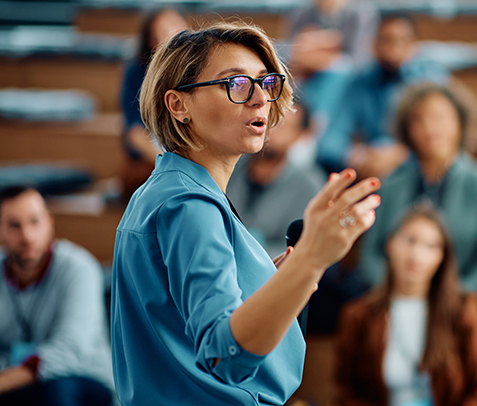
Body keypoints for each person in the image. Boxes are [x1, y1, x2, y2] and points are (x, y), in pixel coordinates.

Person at [110, 21, 382, 406]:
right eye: (235, 84)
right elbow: (225, 355)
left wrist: (276, 278)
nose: (259, 99)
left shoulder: (165, 190)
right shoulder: (188, 205)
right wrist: (310, 259)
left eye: (265, 83)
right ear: (178, 104)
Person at [360, 83, 477, 331]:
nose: (429, 127)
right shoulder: (391, 187)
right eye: (418, 119)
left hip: (465, 298)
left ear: (460, 122)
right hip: (395, 300)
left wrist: (454, 293)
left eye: (439, 117)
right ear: (406, 129)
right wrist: (397, 292)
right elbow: (371, 254)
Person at [336, 205, 477, 406]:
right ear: (389, 243)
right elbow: (345, 390)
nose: (417, 255)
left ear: (443, 257)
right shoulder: (358, 315)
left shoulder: (465, 309)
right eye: (410, 240)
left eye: (431, 246)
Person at [0, 186, 113, 405]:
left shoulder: (79, 268)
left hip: (83, 378)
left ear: (49, 222)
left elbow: (70, 350)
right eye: (14, 225)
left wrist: (5, 381)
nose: (27, 236)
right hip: (17, 381)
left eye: (35, 221)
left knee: (57, 387)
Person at [316, 14, 450, 179]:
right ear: (373, 45)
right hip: (369, 170)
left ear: (415, 46)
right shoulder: (359, 83)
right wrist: (355, 155)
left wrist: (400, 153)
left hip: (417, 171)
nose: (393, 48)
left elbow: (443, 137)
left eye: (402, 41)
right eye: (385, 40)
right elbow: (330, 141)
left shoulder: (430, 82)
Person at [226, 101, 325, 257]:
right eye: (269, 120)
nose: (271, 130)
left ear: (299, 135)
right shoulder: (229, 166)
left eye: (282, 125)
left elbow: (298, 248)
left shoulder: (308, 184)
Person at [118, 8, 189, 198]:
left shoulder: (195, 70)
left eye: (177, 25)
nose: (175, 35)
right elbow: (135, 135)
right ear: (151, 42)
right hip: (153, 160)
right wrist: (172, 162)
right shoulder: (137, 73)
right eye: (164, 31)